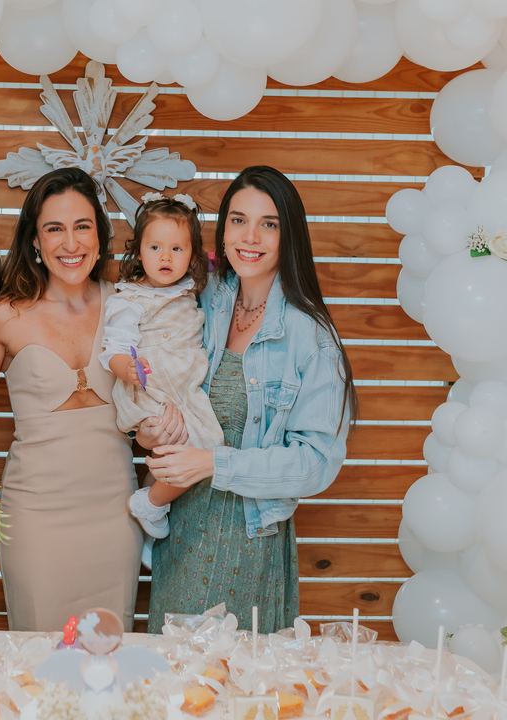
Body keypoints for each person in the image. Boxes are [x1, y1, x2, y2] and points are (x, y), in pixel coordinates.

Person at [136, 165, 359, 634]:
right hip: (180, 531)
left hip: (248, 541)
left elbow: (317, 463)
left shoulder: (310, 336)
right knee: (173, 692)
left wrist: (215, 464)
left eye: (269, 223)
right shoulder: (201, 300)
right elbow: (160, 378)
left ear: (288, 235)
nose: (250, 236)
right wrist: (149, 428)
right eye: (238, 220)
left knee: (237, 692)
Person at [0, 167, 142, 632]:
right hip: (35, 518)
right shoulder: (7, 315)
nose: (70, 243)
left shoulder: (126, 306)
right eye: (54, 229)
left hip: (115, 514)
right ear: (34, 240)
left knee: (111, 655)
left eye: (81, 226)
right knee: (37, 661)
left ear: (100, 233)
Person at [98, 192, 224, 541]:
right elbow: (114, 349)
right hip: (153, 388)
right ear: (139, 251)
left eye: (177, 249)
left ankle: (153, 513)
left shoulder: (190, 288)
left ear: (192, 256)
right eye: (155, 248)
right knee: (205, 446)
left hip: (183, 387)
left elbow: (217, 264)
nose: (165, 257)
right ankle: (151, 503)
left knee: (197, 450)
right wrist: (127, 368)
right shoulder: (130, 300)